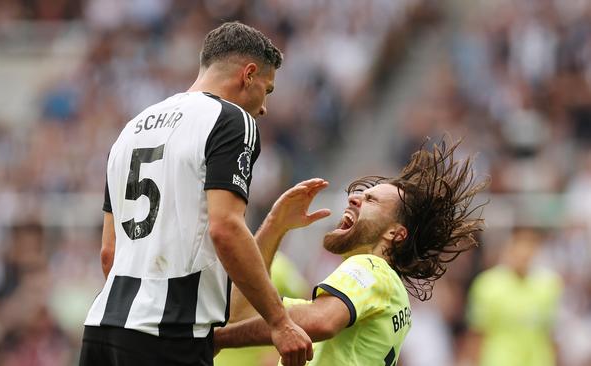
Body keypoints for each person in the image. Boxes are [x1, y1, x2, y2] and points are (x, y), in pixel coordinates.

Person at [80, 21, 313, 366]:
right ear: (248, 75)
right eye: (268, 89)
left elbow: (108, 253)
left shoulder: (132, 129)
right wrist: (280, 322)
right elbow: (226, 227)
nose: (264, 107)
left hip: (102, 329)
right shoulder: (232, 120)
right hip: (168, 334)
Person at [214, 139, 488, 365]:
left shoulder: (371, 268)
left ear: (395, 234)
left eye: (371, 200)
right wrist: (275, 226)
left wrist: (216, 340)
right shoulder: (382, 290)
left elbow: (321, 322)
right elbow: (240, 313)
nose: (353, 197)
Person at [462, 227, 562, 366]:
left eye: (530, 246)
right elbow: (477, 333)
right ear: (509, 248)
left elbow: (552, 333)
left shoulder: (549, 285)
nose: (524, 253)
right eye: (520, 245)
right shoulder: (488, 284)